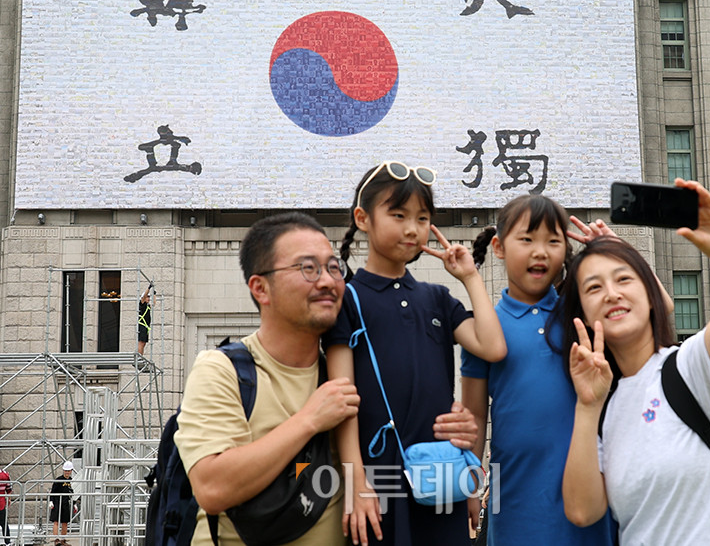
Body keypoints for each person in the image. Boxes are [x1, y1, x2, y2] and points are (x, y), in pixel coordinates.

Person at [174, 212, 478, 546]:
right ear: (260, 288)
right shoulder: (222, 371)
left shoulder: (354, 377)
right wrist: (310, 419)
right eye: (308, 268)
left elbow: (392, 474)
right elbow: (213, 488)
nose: (327, 281)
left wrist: (453, 431)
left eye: (333, 268)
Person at [561, 179, 710, 545]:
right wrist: (587, 407)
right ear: (584, 314)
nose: (612, 293)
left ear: (651, 295)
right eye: (593, 287)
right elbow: (583, 511)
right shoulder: (607, 407)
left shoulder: (689, 366)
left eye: (624, 279)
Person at [323, 161, 506, 546]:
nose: (412, 228)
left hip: (440, 474)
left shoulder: (437, 298)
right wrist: (355, 478)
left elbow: (492, 346)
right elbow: (342, 398)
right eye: (398, 214)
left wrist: (470, 277)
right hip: (378, 479)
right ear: (363, 218)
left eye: (422, 218)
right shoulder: (348, 299)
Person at [461, 194, 616, 545]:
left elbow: (657, 309)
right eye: (527, 239)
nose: (540, 251)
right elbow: (473, 416)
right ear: (499, 247)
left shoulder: (582, 313)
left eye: (553, 241)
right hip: (514, 495)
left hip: (587, 488)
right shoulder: (485, 328)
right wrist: (467, 486)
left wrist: (612, 253)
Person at [49, 461, 75, 546]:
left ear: (71, 471)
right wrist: (51, 501)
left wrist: (74, 503)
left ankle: (63, 540)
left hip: (66, 502)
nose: (67, 472)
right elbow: (53, 491)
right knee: (56, 521)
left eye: (68, 471)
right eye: (66, 471)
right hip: (57, 502)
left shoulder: (72, 481)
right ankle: (56, 540)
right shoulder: (58, 480)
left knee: (65, 522)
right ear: (63, 470)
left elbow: (73, 493)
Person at [137, 285, 154, 355]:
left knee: (143, 343)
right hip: (142, 326)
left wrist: (155, 295)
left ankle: (141, 356)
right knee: (141, 342)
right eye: (148, 297)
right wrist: (149, 288)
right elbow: (144, 297)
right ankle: (139, 357)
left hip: (146, 327)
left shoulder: (147, 306)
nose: (148, 299)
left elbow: (154, 303)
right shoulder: (142, 304)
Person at [0, 466, 11, 546]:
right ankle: (7, 541)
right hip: (1, 502)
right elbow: (9, 488)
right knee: (4, 523)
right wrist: (9, 499)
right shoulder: (5, 475)